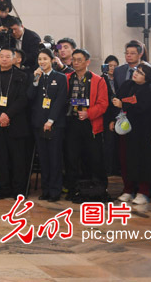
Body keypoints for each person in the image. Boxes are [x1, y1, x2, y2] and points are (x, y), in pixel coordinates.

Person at [0, 47, 30, 199]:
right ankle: (4, 189)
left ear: (14, 59)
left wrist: (7, 115)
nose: (4, 59)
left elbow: (23, 99)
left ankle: (19, 190)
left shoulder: (22, 76)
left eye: (7, 56)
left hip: (16, 121)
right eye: (1, 56)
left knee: (18, 158)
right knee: (0, 158)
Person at [63, 48, 108, 200]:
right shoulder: (67, 78)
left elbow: (103, 104)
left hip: (91, 124)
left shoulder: (98, 80)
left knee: (94, 157)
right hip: (72, 123)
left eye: (79, 60)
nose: (75, 63)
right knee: (72, 157)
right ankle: (73, 189)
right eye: (73, 60)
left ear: (87, 62)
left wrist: (89, 113)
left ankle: (97, 189)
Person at [113, 64, 151, 205]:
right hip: (125, 128)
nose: (136, 74)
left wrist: (124, 105)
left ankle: (143, 191)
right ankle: (128, 189)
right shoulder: (127, 85)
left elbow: (142, 107)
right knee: (125, 159)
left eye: (140, 73)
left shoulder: (149, 90)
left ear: (147, 78)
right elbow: (117, 100)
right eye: (136, 71)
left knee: (142, 160)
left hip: (142, 131)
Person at [27, 49, 67, 202]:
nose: (42, 62)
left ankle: (55, 190)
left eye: (45, 59)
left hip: (55, 124)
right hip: (38, 123)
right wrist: (35, 80)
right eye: (39, 59)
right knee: (43, 158)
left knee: (55, 158)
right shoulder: (36, 77)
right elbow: (29, 96)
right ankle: (46, 190)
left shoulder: (60, 77)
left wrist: (50, 121)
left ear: (51, 60)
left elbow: (60, 101)